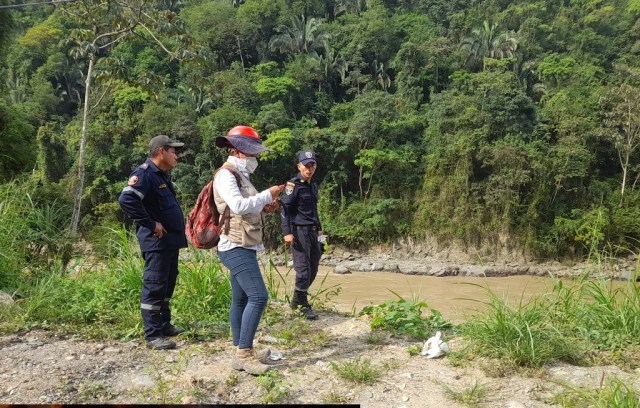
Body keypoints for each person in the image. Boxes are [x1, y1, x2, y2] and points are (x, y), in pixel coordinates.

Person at [213, 125, 284, 375]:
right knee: (259, 296)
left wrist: (265, 207)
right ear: (239, 151)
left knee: (242, 298)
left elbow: (243, 207)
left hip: (243, 244)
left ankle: (239, 350)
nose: (255, 158)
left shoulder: (241, 176)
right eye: (253, 153)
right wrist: (267, 195)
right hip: (234, 246)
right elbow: (238, 205)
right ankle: (244, 353)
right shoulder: (226, 175)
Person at [118, 135, 188, 350]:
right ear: (161, 152)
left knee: (168, 283)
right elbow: (126, 199)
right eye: (173, 151)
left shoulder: (162, 176)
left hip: (169, 241)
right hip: (156, 242)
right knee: (155, 285)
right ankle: (153, 335)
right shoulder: (145, 174)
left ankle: (164, 325)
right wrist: (151, 223)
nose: (176, 155)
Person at [279, 151, 323, 320]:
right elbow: (285, 209)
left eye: (312, 165)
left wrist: (320, 231)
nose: (309, 169)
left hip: (313, 231)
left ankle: (297, 300)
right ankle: (301, 305)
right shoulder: (293, 185)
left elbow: (314, 210)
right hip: (299, 232)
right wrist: (287, 232)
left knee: (313, 268)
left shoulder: (313, 185)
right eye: (306, 166)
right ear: (299, 166)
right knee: (303, 270)